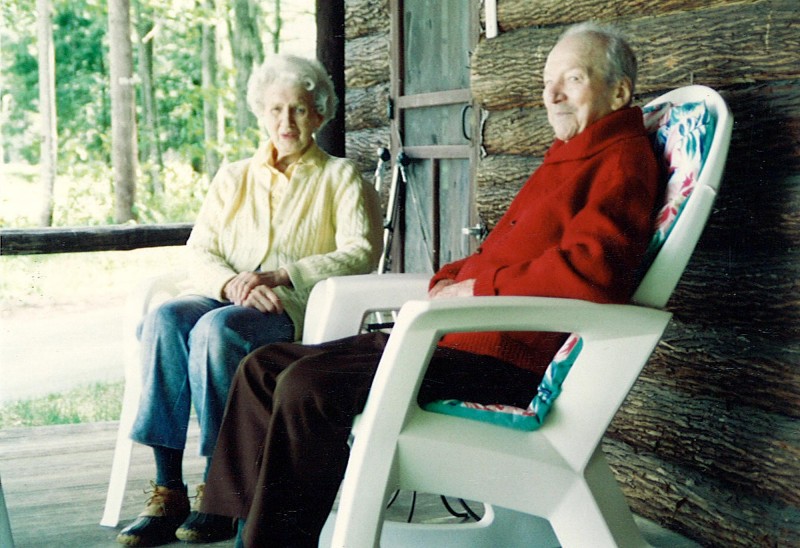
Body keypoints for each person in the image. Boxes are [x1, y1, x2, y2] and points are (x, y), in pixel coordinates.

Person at [201, 22, 660, 547]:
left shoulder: (620, 159)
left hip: (503, 358)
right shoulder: (575, 151)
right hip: (462, 337)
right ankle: (243, 530)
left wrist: (478, 292)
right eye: (546, 81)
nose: (551, 95)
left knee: (309, 387)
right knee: (264, 367)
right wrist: (451, 279)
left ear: (619, 91)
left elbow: (593, 271)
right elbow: (506, 254)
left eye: (571, 80)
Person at [116, 54, 383, 547]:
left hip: (290, 310)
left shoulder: (339, 177)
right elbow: (201, 250)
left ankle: (223, 495)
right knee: (167, 318)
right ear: (261, 113)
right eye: (276, 109)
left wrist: (282, 274)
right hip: (228, 296)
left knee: (219, 332)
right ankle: (168, 488)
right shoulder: (233, 176)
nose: (287, 121)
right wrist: (233, 284)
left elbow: (361, 251)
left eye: (300, 110)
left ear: (319, 116)